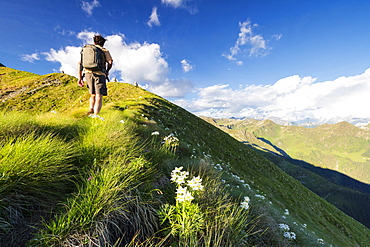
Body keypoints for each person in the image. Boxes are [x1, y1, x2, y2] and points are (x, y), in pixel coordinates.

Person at [78, 34, 113, 117]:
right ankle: (96, 115)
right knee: (99, 95)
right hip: (99, 74)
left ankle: (91, 108)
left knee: (92, 94)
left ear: (94, 42)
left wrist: (80, 78)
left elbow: (80, 63)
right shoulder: (104, 50)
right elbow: (110, 62)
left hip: (87, 73)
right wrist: (107, 71)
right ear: (103, 43)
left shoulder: (87, 50)